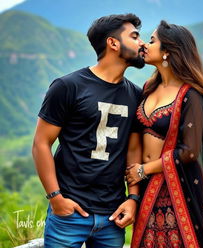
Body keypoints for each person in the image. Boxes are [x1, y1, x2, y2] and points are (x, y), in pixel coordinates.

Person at [32, 13, 145, 248]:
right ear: (113, 43)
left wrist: (133, 197)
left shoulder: (135, 95)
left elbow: (133, 149)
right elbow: (41, 143)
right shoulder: (68, 86)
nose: (142, 43)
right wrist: (56, 198)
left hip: (113, 215)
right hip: (69, 213)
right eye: (134, 36)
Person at [126, 20, 203, 248]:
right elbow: (134, 140)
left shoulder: (191, 96)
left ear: (168, 51)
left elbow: (189, 152)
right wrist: (135, 182)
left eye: (152, 41)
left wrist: (143, 170)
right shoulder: (148, 89)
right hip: (146, 188)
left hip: (178, 189)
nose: (145, 45)